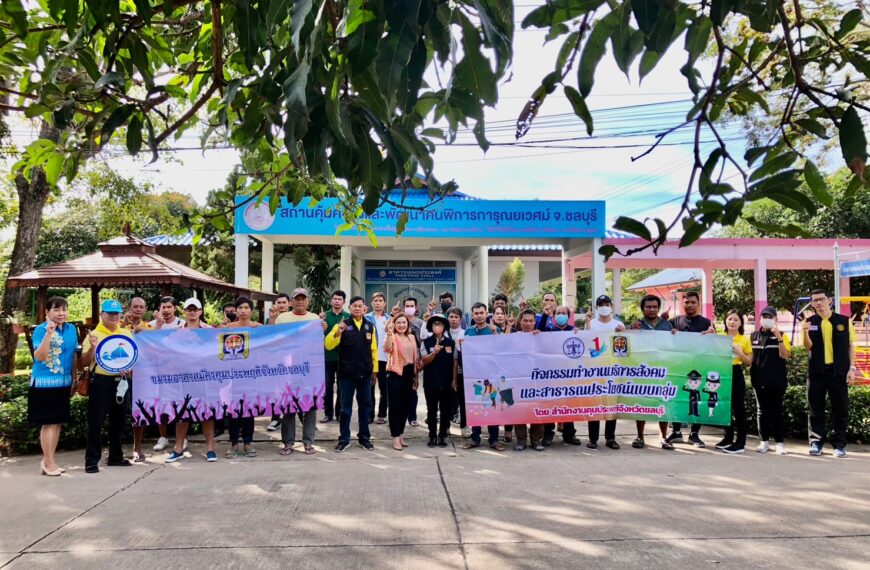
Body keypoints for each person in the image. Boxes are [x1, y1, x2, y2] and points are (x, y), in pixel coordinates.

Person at [802, 289, 856, 458]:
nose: (818, 303)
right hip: (816, 371)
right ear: (812, 304)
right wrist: (804, 332)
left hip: (838, 372)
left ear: (829, 300)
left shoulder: (844, 321)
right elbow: (808, 347)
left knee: (840, 409)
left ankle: (839, 445)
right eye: (815, 300)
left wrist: (852, 368)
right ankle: (816, 442)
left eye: (821, 299)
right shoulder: (809, 322)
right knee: (815, 408)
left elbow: (851, 346)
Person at [82, 300, 134, 474]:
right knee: (96, 422)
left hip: (121, 381)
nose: (113, 316)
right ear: (102, 314)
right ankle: (91, 461)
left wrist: (129, 368)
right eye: (109, 313)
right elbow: (84, 362)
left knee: (119, 421)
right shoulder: (94, 334)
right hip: (101, 382)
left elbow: (132, 358)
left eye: (116, 313)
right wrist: (92, 348)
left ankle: (116, 456)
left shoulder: (126, 333)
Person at [29, 296, 78, 476]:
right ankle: (48, 463)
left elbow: (73, 355)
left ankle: (48, 461)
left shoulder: (71, 329)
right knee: (48, 424)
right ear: (47, 312)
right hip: (44, 384)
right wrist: (49, 334)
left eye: (64, 309)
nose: (61, 313)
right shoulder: (40, 330)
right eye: (56, 310)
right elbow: (40, 357)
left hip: (64, 383)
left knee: (56, 423)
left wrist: (74, 379)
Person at [165, 298, 218, 463]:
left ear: (200, 311)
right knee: (182, 414)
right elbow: (165, 349)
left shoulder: (210, 331)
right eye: (189, 309)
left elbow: (217, 352)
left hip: (204, 377)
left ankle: (210, 449)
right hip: (183, 378)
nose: (192, 312)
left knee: (206, 414)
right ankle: (178, 448)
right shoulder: (176, 332)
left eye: (195, 309)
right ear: (184, 312)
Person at [324, 295, 378, 452]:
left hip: (365, 374)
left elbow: (373, 350)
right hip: (347, 374)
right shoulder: (343, 325)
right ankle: (344, 439)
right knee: (345, 408)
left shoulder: (370, 326)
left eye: (360, 306)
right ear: (350, 308)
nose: (357, 308)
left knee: (365, 407)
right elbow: (328, 345)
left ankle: (364, 438)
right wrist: (337, 333)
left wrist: (375, 371)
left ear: (364, 308)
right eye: (355, 306)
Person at [666, 291, 715, 448]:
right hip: (678, 367)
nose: (690, 305)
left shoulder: (707, 323)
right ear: (683, 304)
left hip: (698, 368)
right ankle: (676, 431)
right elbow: (664, 343)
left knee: (696, 400)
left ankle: (694, 434)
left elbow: (714, 346)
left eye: (693, 302)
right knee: (677, 398)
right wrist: (670, 333)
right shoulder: (674, 322)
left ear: (698, 304)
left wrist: (712, 335)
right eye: (687, 302)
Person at [274, 288, 320, 455]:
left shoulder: (314, 319)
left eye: (303, 298)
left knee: (311, 407)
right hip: (288, 367)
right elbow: (275, 341)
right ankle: (288, 442)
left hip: (309, 368)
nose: (300, 301)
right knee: (289, 406)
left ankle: (308, 442)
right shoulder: (282, 318)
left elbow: (318, 343)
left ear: (308, 301)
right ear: (291, 302)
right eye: (297, 299)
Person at [629, 295, 674, 450]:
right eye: (648, 307)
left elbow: (674, 345)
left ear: (658, 308)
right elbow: (629, 345)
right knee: (642, 402)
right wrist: (631, 333)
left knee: (663, 402)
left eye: (655, 307)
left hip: (663, 369)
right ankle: (640, 436)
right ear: (643, 308)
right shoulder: (636, 325)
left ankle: (663, 436)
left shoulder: (667, 325)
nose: (652, 309)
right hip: (643, 369)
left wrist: (676, 335)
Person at [461, 302, 505, 451]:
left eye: (482, 313)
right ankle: (475, 438)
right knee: (476, 406)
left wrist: (495, 334)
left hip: (491, 375)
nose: (479, 316)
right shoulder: (468, 332)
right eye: (476, 313)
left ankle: (494, 439)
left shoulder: (494, 329)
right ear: (472, 315)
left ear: (486, 314)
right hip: (474, 375)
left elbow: (501, 349)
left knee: (492, 406)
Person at [221, 297, 261, 458]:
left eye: (246, 307)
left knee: (249, 410)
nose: (243, 310)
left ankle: (248, 443)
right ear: (236, 311)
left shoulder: (258, 328)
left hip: (251, 375)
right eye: (240, 308)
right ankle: (234, 444)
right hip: (232, 375)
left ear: (251, 310)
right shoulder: (228, 329)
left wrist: (270, 322)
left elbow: (271, 342)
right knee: (233, 411)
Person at [749, 306, 791, 455]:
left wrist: (779, 337)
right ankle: (764, 441)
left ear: (775, 319)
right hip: (758, 379)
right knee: (762, 411)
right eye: (764, 317)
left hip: (777, 380)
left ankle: (779, 443)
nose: (767, 319)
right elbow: (750, 358)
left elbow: (785, 355)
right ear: (760, 319)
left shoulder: (783, 335)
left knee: (776, 411)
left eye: (770, 317)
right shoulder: (753, 336)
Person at [585, 295, 625, 450]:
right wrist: (587, 324)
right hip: (595, 370)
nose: (604, 307)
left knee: (611, 405)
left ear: (611, 306)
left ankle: (610, 438)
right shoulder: (591, 323)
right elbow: (587, 343)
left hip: (613, 370)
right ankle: (593, 438)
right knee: (594, 404)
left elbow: (624, 348)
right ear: (596, 308)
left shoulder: (618, 324)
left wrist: (621, 334)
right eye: (600, 304)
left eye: (606, 304)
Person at [541, 305, 582, 447]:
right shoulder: (549, 331)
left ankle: (569, 434)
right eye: (558, 313)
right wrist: (545, 315)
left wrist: (581, 334)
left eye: (563, 313)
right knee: (550, 404)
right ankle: (548, 434)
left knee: (569, 404)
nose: (561, 315)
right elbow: (539, 333)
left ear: (568, 316)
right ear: (554, 316)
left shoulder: (574, 330)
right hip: (551, 375)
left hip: (569, 375)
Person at [150, 296, 184, 452]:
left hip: (178, 372)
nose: (166, 310)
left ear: (175, 308)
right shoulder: (152, 325)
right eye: (163, 307)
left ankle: (182, 439)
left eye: (169, 307)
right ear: (159, 308)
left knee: (179, 405)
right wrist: (158, 325)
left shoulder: (183, 324)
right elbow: (149, 344)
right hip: (158, 372)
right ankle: (163, 437)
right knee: (160, 405)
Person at [718, 310, 752, 454]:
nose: (732, 322)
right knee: (724, 407)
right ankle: (727, 438)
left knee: (738, 408)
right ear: (725, 321)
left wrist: (739, 352)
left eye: (736, 320)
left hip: (735, 372)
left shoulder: (744, 339)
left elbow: (749, 361)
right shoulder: (718, 337)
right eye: (730, 319)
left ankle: (740, 443)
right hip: (720, 373)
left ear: (741, 323)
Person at [512, 310, 547, 451]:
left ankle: (536, 440)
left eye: (531, 321)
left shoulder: (540, 336)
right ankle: (521, 440)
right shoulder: (513, 337)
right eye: (525, 320)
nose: (528, 323)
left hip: (537, 380)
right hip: (519, 379)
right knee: (519, 410)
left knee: (537, 409)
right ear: (520, 321)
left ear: (535, 322)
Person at [384, 313, 419, 450]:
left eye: (404, 322)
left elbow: (415, 357)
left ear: (407, 324)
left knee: (405, 406)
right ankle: (395, 437)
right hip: (395, 372)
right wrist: (389, 333)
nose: (401, 325)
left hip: (409, 373)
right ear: (394, 324)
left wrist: (415, 376)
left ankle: (401, 434)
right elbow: (387, 349)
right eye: (398, 322)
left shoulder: (411, 337)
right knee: (395, 406)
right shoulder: (392, 336)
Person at [420, 314, 456, 448]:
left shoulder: (451, 343)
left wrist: (454, 380)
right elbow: (424, 361)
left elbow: (454, 363)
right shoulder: (425, 342)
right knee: (431, 410)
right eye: (435, 324)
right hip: (431, 382)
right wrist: (434, 353)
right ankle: (432, 435)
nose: (437, 326)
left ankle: (442, 435)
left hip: (446, 382)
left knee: (445, 410)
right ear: (431, 326)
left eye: (440, 324)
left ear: (444, 327)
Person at [320, 290, 349, 424]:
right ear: (331, 300)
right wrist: (320, 326)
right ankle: (328, 413)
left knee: (342, 387)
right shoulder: (323, 316)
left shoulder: (348, 317)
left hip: (344, 358)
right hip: (327, 357)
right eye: (335, 299)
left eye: (340, 299)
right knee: (327, 386)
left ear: (344, 302)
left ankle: (339, 413)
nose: (337, 301)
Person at [266, 292, 291, 432]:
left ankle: (303, 418)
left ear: (289, 304)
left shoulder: (294, 318)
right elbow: (268, 337)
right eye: (279, 302)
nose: (281, 305)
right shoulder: (271, 318)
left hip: (293, 358)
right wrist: (272, 319)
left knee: (293, 388)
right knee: (276, 389)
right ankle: (275, 418)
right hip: (275, 359)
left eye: (284, 302)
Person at [403, 296, 428, 426]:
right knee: (399, 390)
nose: (409, 308)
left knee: (413, 389)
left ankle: (412, 417)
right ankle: (399, 417)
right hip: (399, 360)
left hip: (414, 359)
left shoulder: (420, 323)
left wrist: (420, 360)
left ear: (416, 307)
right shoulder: (399, 320)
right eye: (407, 306)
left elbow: (423, 341)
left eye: (411, 306)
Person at [366, 292, 390, 425]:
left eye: (380, 300)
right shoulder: (366, 318)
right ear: (372, 303)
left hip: (386, 359)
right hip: (370, 359)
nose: (378, 303)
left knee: (384, 389)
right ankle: (369, 415)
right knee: (369, 388)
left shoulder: (390, 318)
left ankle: (382, 414)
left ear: (384, 303)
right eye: (375, 300)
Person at [447, 308, 469, 436]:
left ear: (460, 319)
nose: (453, 319)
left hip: (461, 373)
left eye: (456, 317)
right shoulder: (443, 333)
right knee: (446, 400)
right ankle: (446, 426)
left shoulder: (465, 334)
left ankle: (464, 427)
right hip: (446, 372)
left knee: (463, 401)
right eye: (451, 317)